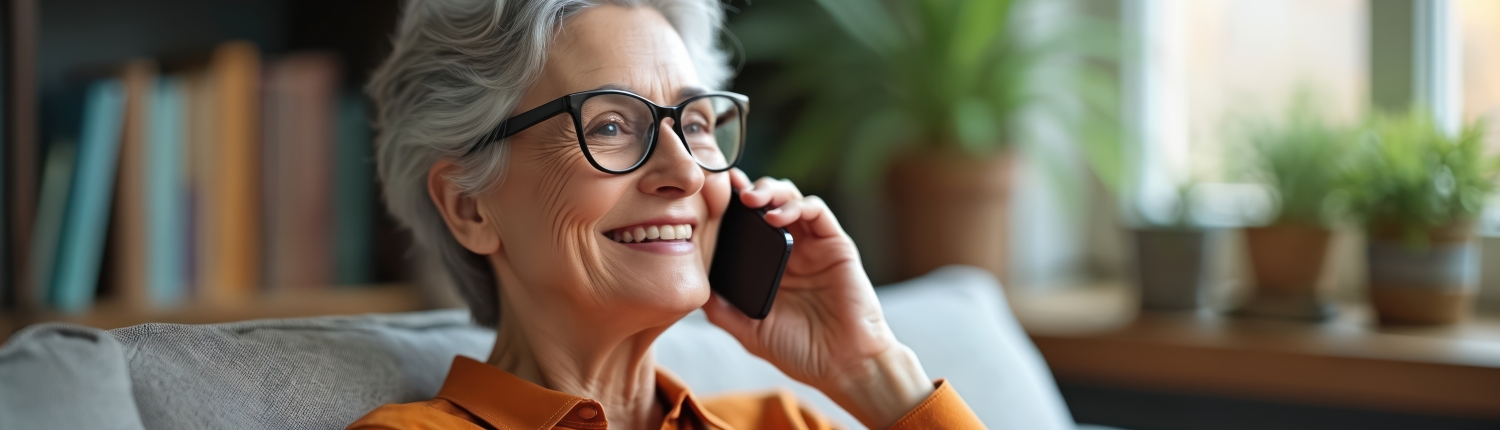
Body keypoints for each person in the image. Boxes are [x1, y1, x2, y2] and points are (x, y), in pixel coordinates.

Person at [351, 0, 982, 428]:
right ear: (469, 207)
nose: (684, 172)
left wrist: (872, 371)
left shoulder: (777, 422)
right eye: (611, 125)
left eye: (697, 123)